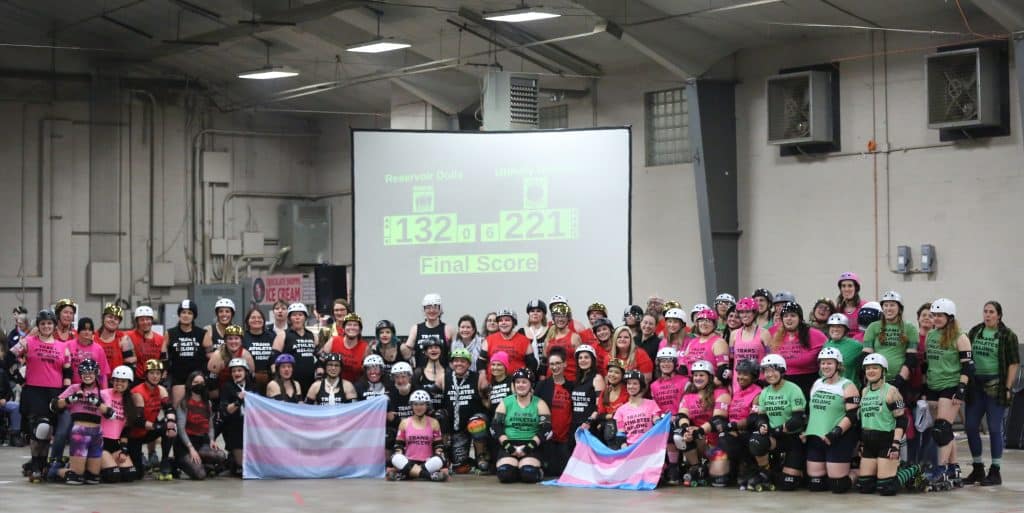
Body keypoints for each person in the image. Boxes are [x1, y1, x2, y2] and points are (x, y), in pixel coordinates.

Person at [11, 309, 71, 482]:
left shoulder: (63, 347)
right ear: (38, 325)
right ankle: (36, 466)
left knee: (48, 431)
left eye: (49, 323)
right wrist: (19, 378)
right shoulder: (29, 342)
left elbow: (67, 372)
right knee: (40, 429)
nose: (46, 326)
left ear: (54, 325)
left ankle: (42, 465)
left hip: (54, 392)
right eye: (43, 323)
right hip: (34, 391)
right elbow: (9, 357)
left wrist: (65, 394)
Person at [48, 317, 111, 478]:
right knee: (63, 430)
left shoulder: (98, 348)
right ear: (78, 331)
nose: (87, 332)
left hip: (92, 395)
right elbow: (60, 366)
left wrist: (102, 395)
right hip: (73, 393)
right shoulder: (68, 345)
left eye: (90, 329)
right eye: (84, 329)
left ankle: (88, 463)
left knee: (95, 431)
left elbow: (103, 374)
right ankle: (55, 461)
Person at [963, 301, 1018, 486]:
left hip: (996, 386)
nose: (987, 315)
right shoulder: (975, 331)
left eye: (991, 312)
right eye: (985, 311)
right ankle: (978, 468)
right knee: (971, 426)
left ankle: (995, 471)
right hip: (976, 386)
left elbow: (1014, 363)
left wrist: (1008, 388)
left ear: (999, 315)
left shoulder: (1008, 335)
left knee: (994, 428)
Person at [923, 298, 973, 486]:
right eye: (934, 315)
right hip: (933, 385)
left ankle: (940, 468)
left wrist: (961, 390)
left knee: (941, 429)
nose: (935, 318)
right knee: (945, 430)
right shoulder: (931, 335)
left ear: (950, 317)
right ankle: (953, 467)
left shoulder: (960, 337)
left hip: (951, 385)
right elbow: (928, 363)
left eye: (940, 315)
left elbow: (968, 366)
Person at [746, 354, 807, 491]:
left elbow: (798, 420)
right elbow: (762, 417)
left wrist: (777, 430)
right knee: (756, 440)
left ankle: (790, 472)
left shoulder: (793, 389)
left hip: (792, 438)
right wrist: (762, 425)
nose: (769, 374)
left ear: (782, 371)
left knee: (787, 484)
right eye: (766, 371)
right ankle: (765, 472)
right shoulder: (765, 392)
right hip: (775, 438)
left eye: (773, 370)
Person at [805, 348, 860, 493]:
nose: (825, 366)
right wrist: (806, 430)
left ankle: (860, 472)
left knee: (838, 485)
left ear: (838, 365)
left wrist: (835, 433)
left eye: (829, 363)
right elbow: (813, 412)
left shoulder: (847, 385)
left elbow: (853, 415)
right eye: (823, 363)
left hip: (837, 438)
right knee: (815, 484)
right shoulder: (817, 383)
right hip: (816, 438)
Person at [52, 359, 117, 484]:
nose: (87, 375)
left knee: (93, 477)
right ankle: (53, 470)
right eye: (84, 373)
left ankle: (71, 465)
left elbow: (112, 414)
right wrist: (71, 399)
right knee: (76, 477)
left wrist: (97, 402)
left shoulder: (102, 392)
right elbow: (54, 405)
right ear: (80, 374)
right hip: (80, 432)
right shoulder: (74, 388)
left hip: (97, 433)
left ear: (96, 373)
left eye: (91, 372)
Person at [674, 360, 732, 487]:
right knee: (679, 433)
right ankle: (696, 467)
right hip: (698, 440)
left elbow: (718, 420)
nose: (698, 378)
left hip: (715, 443)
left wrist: (699, 430)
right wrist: (686, 428)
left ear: (709, 377)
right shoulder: (688, 396)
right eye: (695, 375)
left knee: (719, 481)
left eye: (701, 375)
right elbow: (681, 416)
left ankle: (709, 466)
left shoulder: (720, 393)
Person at [858, 353, 908, 495]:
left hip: (886, 441)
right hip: (869, 442)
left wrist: (895, 445)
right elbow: (865, 419)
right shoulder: (865, 391)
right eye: (868, 368)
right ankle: (888, 470)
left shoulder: (891, 391)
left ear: (883, 371)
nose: (871, 371)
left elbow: (902, 420)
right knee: (865, 487)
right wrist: (862, 443)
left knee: (886, 488)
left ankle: (914, 469)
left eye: (875, 368)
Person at [494, 368, 551, 484]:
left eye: (524, 382)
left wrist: (528, 448)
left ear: (531, 385)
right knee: (505, 474)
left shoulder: (540, 403)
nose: (520, 385)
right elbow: (496, 427)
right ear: (514, 385)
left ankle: (533, 470)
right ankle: (516, 469)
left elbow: (545, 429)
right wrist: (509, 447)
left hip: (532, 445)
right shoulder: (506, 402)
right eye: (518, 382)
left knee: (529, 473)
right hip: (509, 444)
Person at [127, 359, 177, 481]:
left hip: (148, 431)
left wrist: (170, 424)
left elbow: (169, 409)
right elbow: (138, 421)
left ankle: (165, 462)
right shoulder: (138, 392)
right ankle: (140, 459)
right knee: (138, 475)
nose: (155, 376)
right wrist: (157, 426)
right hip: (134, 435)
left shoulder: (161, 390)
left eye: (158, 373)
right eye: (152, 373)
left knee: (170, 426)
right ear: (146, 375)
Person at [863, 291, 919, 395]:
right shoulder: (873, 327)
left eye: (892, 305)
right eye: (886, 305)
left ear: (899, 308)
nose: (888, 308)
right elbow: (866, 356)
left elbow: (911, 359)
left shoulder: (909, 328)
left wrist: (899, 380)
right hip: (876, 380)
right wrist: (872, 378)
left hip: (899, 380)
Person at [175, 371, 227, 480]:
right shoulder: (184, 403)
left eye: (201, 383)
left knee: (221, 456)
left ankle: (204, 463)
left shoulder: (207, 403)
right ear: (190, 384)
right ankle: (176, 462)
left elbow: (210, 426)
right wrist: (191, 448)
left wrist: (212, 440)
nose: (199, 385)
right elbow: (180, 429)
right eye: (196, 382)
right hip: (185, 444)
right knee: (200, 474)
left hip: (201, 442)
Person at [768, 302, 826, 400]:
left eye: (793, 315)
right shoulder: (774, 334)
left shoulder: (815, 334)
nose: (789, 318)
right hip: (782, 384)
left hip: (808, 384)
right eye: (785, 316)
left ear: (800, 318)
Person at [387, 389, 449, 481]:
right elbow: (398, 446)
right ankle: (430, 476)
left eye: (422, 404)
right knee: (395, 457)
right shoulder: (404, 423)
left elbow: (438, 447)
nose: (418, 407)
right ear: (411, 405)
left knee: (440, 459)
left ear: (427, 405)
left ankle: (406, 475)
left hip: (428, 462)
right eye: (415, 404)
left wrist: (441, 459)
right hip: (408, 461)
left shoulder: (434, 422)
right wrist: (398, 459)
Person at [442, 347, 484, 473]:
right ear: (451, 363)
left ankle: (480, 457)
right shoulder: (444, 378)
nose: (459, 364)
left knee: (477, 423)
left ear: (469, 364)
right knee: (460, 468)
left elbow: (487, 401)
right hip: (456, 428)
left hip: (473, 423)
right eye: (456, 361)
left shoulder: (477, 377)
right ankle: (445, 454)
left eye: (463, 361)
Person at [651, 346, 688, 484]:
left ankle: (673, 467)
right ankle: (660, 467)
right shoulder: (654, 385)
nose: (665, 364)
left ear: (675, 363)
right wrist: (656, 417)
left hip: (680, 417)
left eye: (669, 361)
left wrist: (676, 416)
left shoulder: (684, 381)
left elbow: (687, 401)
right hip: (662, 420)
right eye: (663, 361)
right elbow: (654, 406)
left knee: (672, 430)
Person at [724, 359, 762, 487]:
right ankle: (732, 471)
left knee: (736, 438)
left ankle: (749, 468)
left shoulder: (758, 393)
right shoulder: (737, 393)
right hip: (734, 430)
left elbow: (753, 419)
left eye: (745, 374)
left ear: (754, 376)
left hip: (748, 431)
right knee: (724, 438)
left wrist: (734, 426)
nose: (740, 377)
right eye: (739, 373)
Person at [534, 347, 572, 476]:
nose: (555, 367)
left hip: (565, 440)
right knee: (549, 471)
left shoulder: (571, 386)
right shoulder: (542, 385)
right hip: (547, 439)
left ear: (565, 364)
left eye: (558, 363)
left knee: (563, 472)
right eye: (552, 364)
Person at [99, 365, 138, 483]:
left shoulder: (130, 401)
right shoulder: (104, 394)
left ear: (129, 383)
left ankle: (106, 463)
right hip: (100, 442)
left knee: (130, 474)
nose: (119, 383)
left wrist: (124, 450)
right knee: (112, 475)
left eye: (123, 381)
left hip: (115, 444)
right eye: (116, 380)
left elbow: (126, 430)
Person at [166, 300, 207, 408]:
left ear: (194, 316)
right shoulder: (170, 333)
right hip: (178, 378)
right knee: (178, 411)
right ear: (179, 314)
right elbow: (163, 355)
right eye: (183, 312)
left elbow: (210, 355)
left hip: (197, 378)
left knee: (197, 410)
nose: (186, 315)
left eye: (189, 313)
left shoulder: (202, 333)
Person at [478, 309, 531, 388]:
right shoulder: (489, 339)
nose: (503, 323)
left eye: (507, 320)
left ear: (514, 323)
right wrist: (482, 376)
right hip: (494, 385)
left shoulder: (524, 340)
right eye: (500, 320)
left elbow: (532, 364)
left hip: (517, 385)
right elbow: (481, 362)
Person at [272, 303, 318, 391]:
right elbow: (274, 358)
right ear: (289, 318)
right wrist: (276, 378)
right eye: (294, 315)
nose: (297, 317)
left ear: (305, 318)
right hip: (289, 381)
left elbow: (317, 356)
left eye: (300, 315)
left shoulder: (312, 336)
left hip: (310, 380)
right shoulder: (283, 334)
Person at [219, 357, 252, 477]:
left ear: (245, 372)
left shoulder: (252, 386)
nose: (237, 373)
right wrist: (238, 400)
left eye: (239, 370)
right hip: (235, 427)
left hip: (250, 427)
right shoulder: (227, 387)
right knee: (243, 467)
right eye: (234, 371)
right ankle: (232, 460)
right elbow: (226, 410)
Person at [680, 309, 730, 385]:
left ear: (714, 324)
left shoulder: (719, 342)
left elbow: (723, 370)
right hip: (693, 385)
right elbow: (683, 367)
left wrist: (708, 388)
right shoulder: (692, 342)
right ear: (697, 324)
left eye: (708, 321)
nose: (704, 323)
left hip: (711, 386)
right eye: (701, 320)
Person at [404, 294, 454, 369]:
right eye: (428, 307)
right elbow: (407, 354)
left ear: (440, 309)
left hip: (443, 373)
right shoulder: (416, 329)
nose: (432, 310)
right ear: (424, 310)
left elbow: (455, 355)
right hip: (421, 373)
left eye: (435, 307)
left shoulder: (448, 329)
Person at [207, 325, 255, 402]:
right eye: (230, 339)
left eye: (236, 338)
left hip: (241, 391)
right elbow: (211, 383)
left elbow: (251, 378)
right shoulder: (218, 355)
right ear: (225, 341)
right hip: (221, 393)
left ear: (241, 341)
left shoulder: (246, 355)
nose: (233, 341)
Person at [243, 307, 281, 395]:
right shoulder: (243, 337)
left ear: (263, 320)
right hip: (249, 379)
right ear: (247, 321)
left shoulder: (272, 336)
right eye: (253, 317)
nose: (256, 320)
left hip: (271, 378)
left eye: (259, 317)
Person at [730, 297, 770, 381]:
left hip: (759, 380)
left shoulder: (764, 333)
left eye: (748, 312)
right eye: (741, 312)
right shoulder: (734, 334)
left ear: (754, 313)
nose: (744, 315)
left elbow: (770, 359)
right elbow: (731, 360)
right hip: (738, 381)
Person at [570, 345, 605, 438]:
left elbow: (600, 406)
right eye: (580, 358)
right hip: (575, 425)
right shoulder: (577, 380)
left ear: (592, 360)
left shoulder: (597, 378)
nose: (583, 360)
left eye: (586, 357)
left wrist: (589, 422)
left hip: (589, 426)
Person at [324, 313, 371, 382]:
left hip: (354, 385)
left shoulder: (365, 347)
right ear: (343, 328)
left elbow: (367, 372)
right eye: (349, 324)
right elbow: (321, 362)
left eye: (355, 325)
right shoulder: (333, 340)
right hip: (332, 383)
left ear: (360, 330)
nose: (352, 327)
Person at [592, 359, 628, 446]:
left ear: (623, 376)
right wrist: (611, 416)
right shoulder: (605, 392)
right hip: (607, 430)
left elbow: (627, 414)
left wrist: (609, 416)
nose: (612, 374)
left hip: (624, 431)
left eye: (617, 372)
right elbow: (600, 415)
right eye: (610, 371)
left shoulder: (627, 392)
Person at [95, 303, 135, 377]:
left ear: (119, 322)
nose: (112, 320)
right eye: (110, 317)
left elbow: (130, 365)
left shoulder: (124, 339)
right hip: (96, 381)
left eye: (116, 319)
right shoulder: (93, 338)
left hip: (116, 381)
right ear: (103, 318)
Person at [544, 303, 581, 382]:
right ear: (553, 318)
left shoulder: (575, 337)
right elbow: (544, 361)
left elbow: (580, 362)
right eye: (557, 316)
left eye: (563, 316)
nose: (560, 319)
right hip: (551, 380)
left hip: (570, 380)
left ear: (568, 319)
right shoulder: (548, 338)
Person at [127, 306, 164, 383]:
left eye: (148, 319)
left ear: (152, 320)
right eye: (142, 320)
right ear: (137, 322)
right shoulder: (128, 336)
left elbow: (163, 359)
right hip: (135, 379)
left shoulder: (160, 339)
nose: (145, 322)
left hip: (154, 379)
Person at [822, 314, 864, 383]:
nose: (835, 329)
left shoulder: (856, 346)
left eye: (839, 326)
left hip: (849, 386)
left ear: (845, 329)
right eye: (832, 326)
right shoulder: (826, 344)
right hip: (829, 386)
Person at [386, 362, 416, 453]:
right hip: (397, 429)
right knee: (388, 434)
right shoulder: (390, 395)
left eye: (403, 377)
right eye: (397, 377)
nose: (400, 381)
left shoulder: (418, 391)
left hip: (417, 427)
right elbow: (391, 419)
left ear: (410, 377)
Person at [521, 299, 549, 373]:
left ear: (543, 314)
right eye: (532, 311)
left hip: (546, 371)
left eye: (538, 311)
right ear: (529, 314)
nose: (535, 313)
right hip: (526, 372)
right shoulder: (521, 332)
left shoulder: (550, 331)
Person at [836, 272, 866, 338]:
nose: (846, 289)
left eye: (850, 286)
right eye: (843, 286)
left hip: (861, 342)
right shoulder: (838, 310)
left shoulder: (865, 307)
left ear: (856, 288)